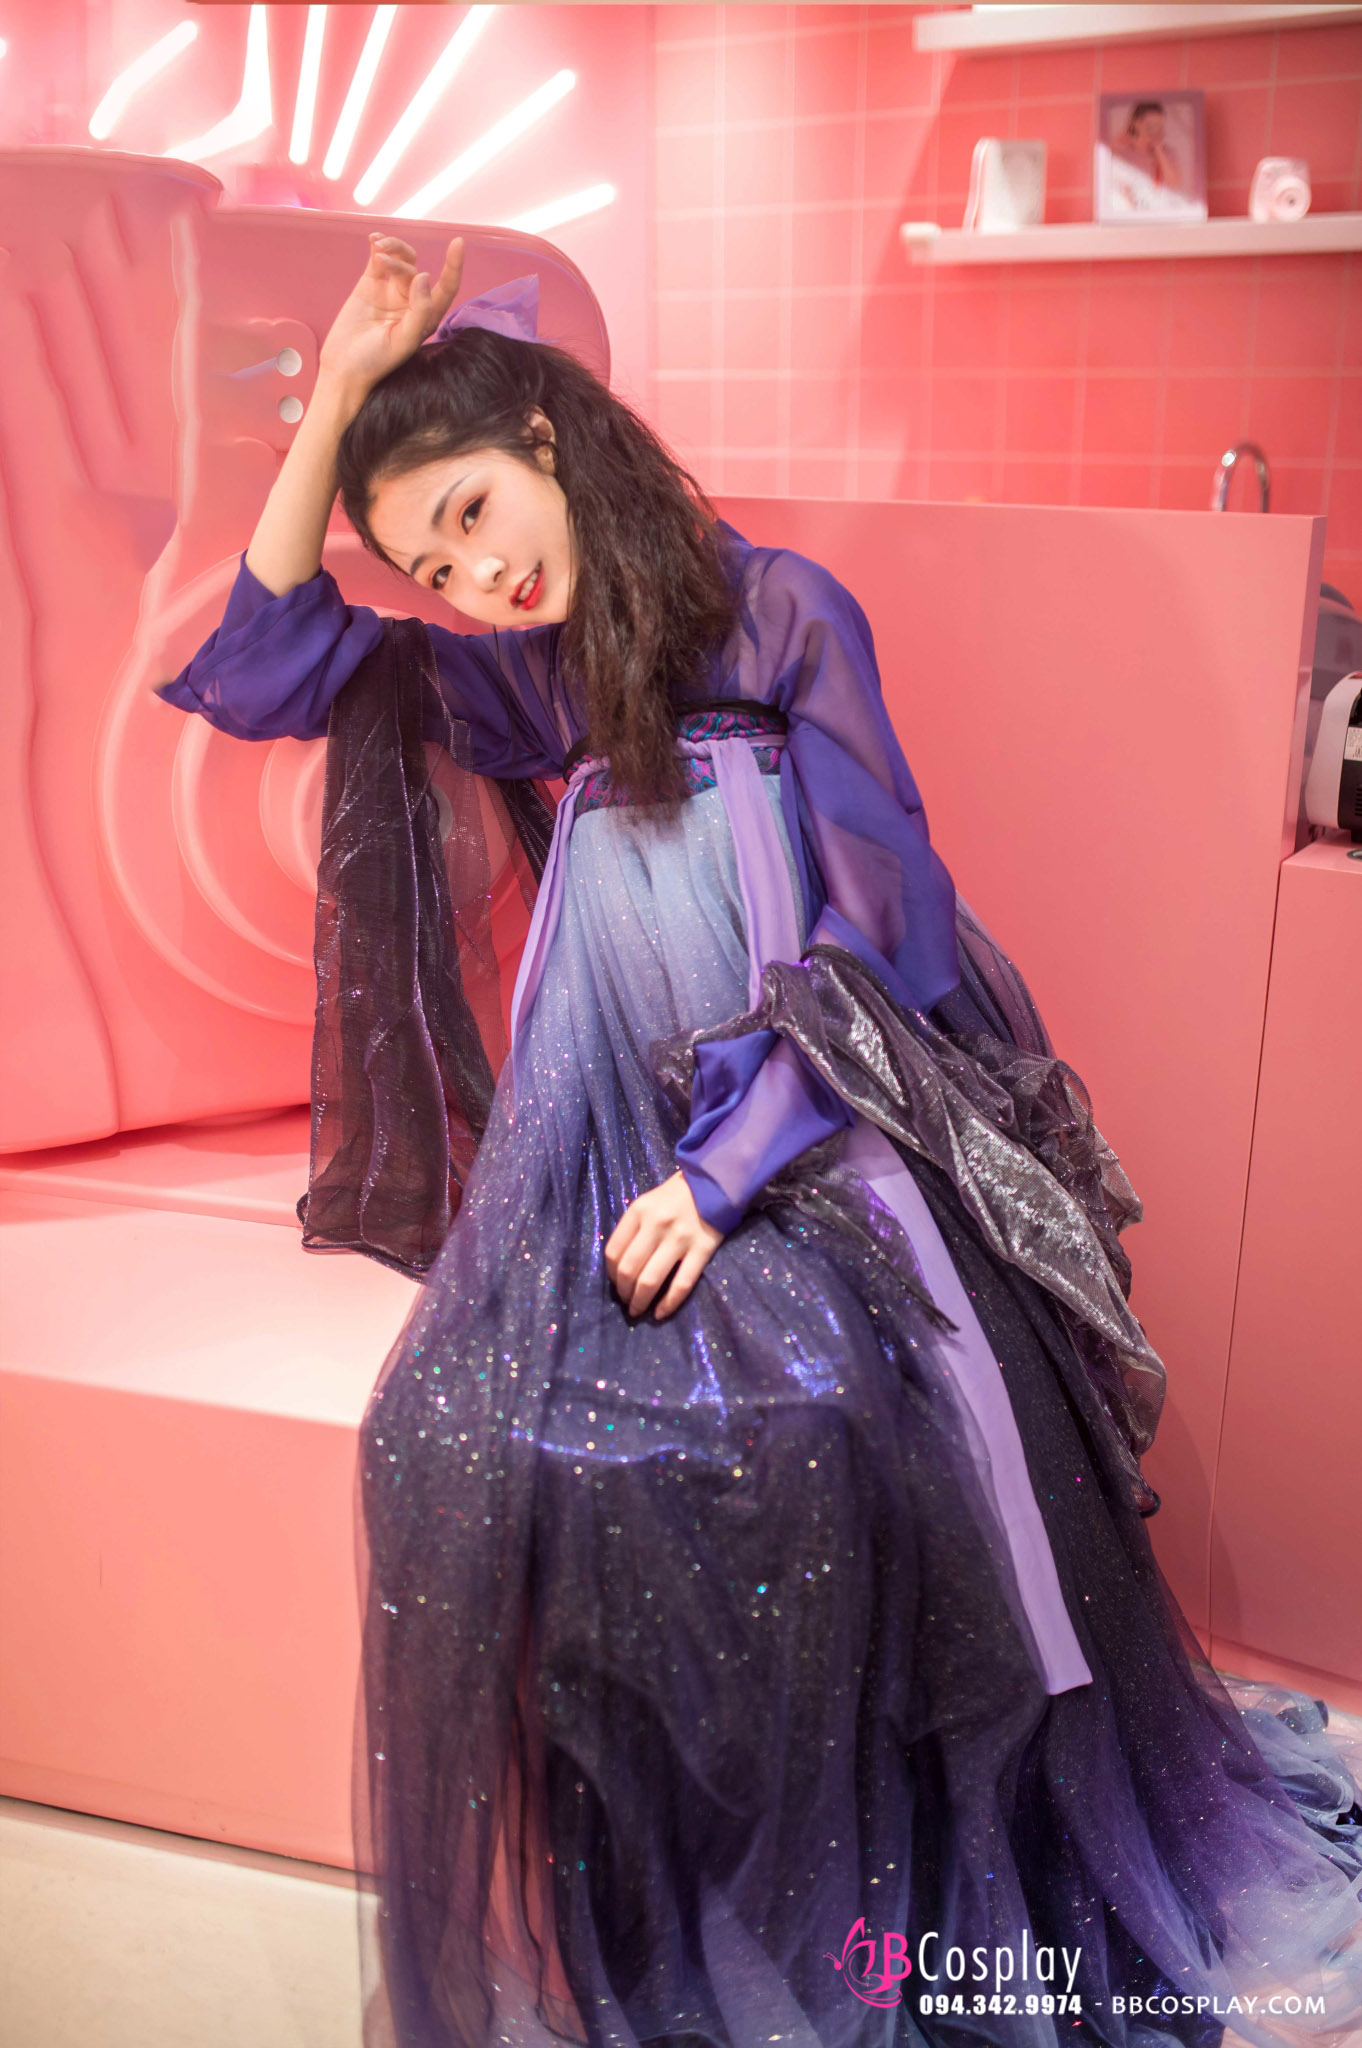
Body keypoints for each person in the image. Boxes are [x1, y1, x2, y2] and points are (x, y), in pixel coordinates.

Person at [156, 233, 1362, 2048]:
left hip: (819, 1118)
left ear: (549, 437)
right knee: (443, 1433)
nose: (478, 579)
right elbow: (260, 669)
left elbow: (887, 927)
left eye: (475, 515)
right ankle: (671, 1889)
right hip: (602, 1133)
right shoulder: (517, 678)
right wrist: (332, 397)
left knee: (817, 1419)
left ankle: (862, 1888)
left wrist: (727, 1175)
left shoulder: (784, 610)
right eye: (433, 568)